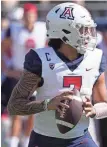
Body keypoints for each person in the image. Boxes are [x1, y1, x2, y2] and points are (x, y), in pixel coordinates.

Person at [7, 2, 107, 147]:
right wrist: (48, 104)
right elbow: (15, 105)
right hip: (44, 139)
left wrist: (94, 110)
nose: (88, 34)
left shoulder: (96, 58)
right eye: (82, 29)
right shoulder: (40, 60)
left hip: (79, 139)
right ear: (65, 32)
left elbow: (105, 105)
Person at [2, 3, 47, 147]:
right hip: (17, 75)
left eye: (32, 15)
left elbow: (49, 49)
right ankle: (13, 142)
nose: (29, 18)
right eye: (27, 16)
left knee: (33, 111)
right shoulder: (13, 29)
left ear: (35, 16)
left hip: (35, 76)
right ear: (23, 17)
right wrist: (6, 70)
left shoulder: (42, 29)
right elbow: (2, 49)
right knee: (15, 112)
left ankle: (27, 140)